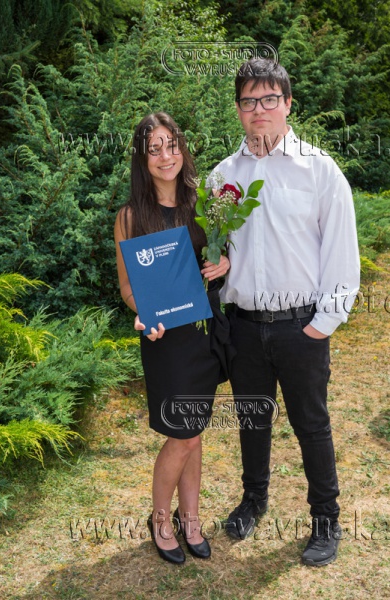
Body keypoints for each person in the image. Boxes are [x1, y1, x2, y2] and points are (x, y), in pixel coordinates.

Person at [208, 58, 360, 566]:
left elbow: (341, 253)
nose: (259, 109)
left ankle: (326, 519)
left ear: (288, 104)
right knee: (252, 420)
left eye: (269, 99)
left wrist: (323, 323)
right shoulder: (222, 176)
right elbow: (221, 249)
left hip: (301, 327)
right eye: (248, 101)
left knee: (311, 425)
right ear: (238, 109)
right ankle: (254, 500)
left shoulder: (319, 170)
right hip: (245, 327)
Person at [114, 112, 231, 564]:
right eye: (154, 149)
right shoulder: (130, 217)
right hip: (166, 339)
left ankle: (191, 518)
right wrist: (143, 314)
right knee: (182, 436)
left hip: (204, 334)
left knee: (194, 432)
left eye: (172, 145)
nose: (166, 156)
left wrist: (225, 265)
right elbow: (128, 288)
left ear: (182, 148)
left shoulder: (204, 203)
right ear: (142, 159)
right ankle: (162, 520)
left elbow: (223, 260)